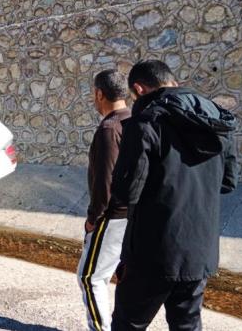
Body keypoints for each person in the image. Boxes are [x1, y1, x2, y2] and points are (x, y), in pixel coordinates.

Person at [110, 60, 238, 330]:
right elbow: (227, 183)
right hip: (200, 250)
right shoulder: (218, 120)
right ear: (173, 82)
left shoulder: (145, 122)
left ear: (138, 89)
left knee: (128, 324)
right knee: (187, 325)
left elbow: (126, 192)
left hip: (152, 251)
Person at [77, 69, 131, 331]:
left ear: (99, 94)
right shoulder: (137, 120)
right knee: (121, 275)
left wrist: (92, 220)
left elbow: (104, 183)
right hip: (134, 215)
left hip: (112, 216)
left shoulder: (109, 129)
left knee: (90, 277)